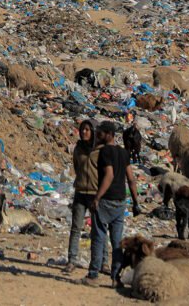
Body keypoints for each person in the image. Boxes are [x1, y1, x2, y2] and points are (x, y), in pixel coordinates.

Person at [83, 120, 141, 287]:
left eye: (100, 133)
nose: (98, 135)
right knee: (116, 241)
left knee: (99, 237)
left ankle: (93, 275)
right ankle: (116, 278)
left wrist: (97, 198)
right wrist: (136, 202)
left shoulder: (105, 152)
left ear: (109, 134)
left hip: (106, 200)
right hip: (121, 202)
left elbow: (108, 176)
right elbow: (131, 179)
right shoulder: (123, 153)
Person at [65, 119, 99, 272]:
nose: (84, 132)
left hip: (95, 194)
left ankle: (100, 262)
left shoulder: (99, 150)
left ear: (93, 132)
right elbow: (77, 167)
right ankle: (71, 260)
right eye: (82, 129)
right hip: (80, 192)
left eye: (87, 129)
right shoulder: (78, 149)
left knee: (98, 230)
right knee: (76, 228)